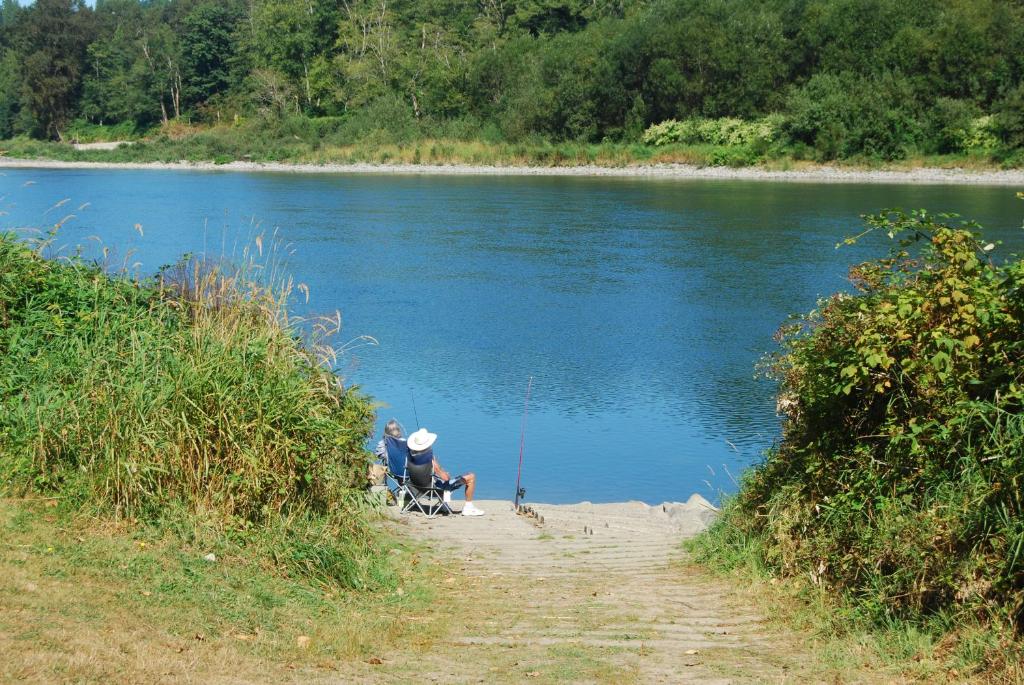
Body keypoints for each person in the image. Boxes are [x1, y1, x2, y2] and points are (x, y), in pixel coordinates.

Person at [406, 427, 484, 517]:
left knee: (439, 479)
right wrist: (443, 472)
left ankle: (444, 505)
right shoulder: (430, 460)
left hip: (416, 488)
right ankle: (468, 508)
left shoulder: (409, 456)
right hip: (432, 490)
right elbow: (446, 478)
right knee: (471, 477)